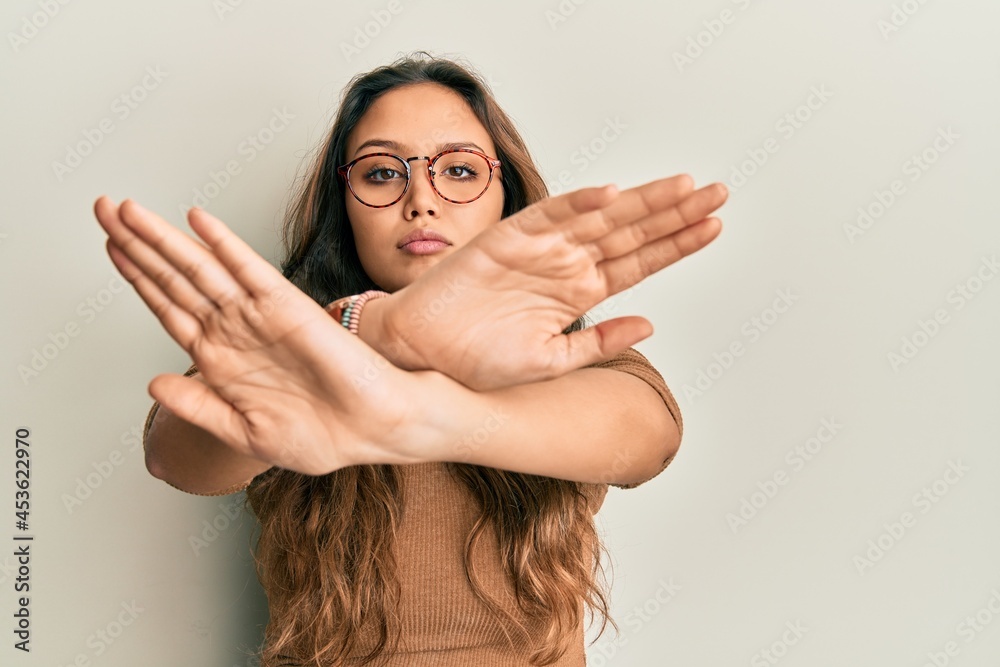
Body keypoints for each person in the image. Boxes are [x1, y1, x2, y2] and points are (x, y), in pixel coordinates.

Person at [92, 53, 727, 667]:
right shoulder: (283, 342)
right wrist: (377, 332)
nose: (420, 199)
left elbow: (647, 439)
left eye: (458, 170)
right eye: (381, 173)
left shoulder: (573, 354)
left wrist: (417, 412)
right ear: (344, 207)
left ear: (503, 193)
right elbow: (177, 455)